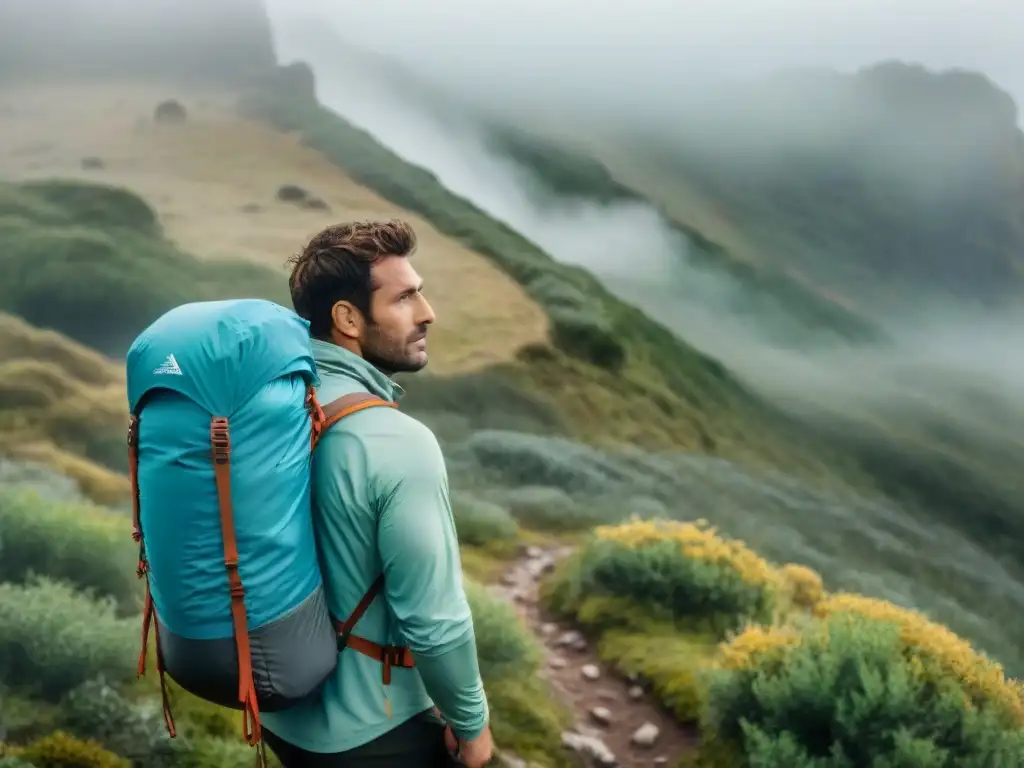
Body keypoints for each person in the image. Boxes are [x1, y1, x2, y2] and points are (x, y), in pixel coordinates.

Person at [259, 220, 494, 768]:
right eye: (406, 297)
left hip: (280, 715)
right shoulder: (397, 442)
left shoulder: (269, 411)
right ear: (347, 318)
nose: (427, 311)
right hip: (376, 732)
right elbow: (435, 621)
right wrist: (473, 726)